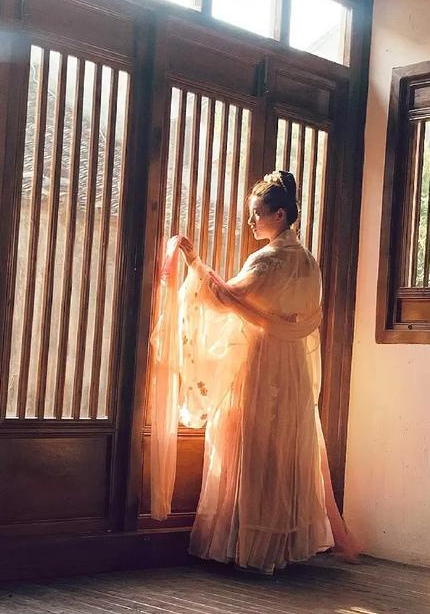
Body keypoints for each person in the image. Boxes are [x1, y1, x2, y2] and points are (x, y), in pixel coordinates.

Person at [152, 169, 360, 575]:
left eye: (257, 213)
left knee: (254, 446)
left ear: (279, 215)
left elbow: (224, 299)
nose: (250, 221)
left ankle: (250, 546)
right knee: (285, 447)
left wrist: (195, 263)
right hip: (293, 364)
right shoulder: (308, 262)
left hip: (264, 360)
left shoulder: (268, 261)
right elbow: (303, 318)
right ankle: (281, 545)